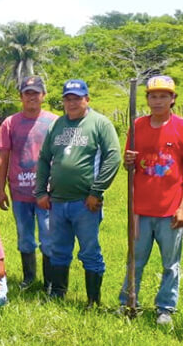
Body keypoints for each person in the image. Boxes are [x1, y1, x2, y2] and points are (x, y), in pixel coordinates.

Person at [118, 76, 183, 324]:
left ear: (173, 99)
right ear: (147, 99)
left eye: (164, 96)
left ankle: (165, 307)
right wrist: (129, 161)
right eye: (153, 96)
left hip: (170, 210)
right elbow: (127, 165)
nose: (158, 100)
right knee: (135, 259)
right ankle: (128, 301)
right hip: (140, 209)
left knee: (170, 263)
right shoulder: (137, 126)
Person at [34, 79, 121, 308]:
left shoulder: (100, 124)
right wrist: (41, 191)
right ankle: (58, 294)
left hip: (85, 202)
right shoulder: (57, 125)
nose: (72, 103)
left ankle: (93, 300)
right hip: (57, 201)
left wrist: (97, 191)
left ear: (87, 99)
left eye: (77, 98)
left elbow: (113, 158)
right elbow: (44, 159)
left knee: (90, 250)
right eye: (68, 98)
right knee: (58, 249)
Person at [0, 75, 58, 289]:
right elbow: (3, 158)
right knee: (25, 237)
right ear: (21, 97)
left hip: (46, 192)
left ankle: (50, 281)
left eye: (36, 93)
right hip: (19, 191)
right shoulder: (11, 123)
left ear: (43, 96)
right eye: (27, 94)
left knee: (48, 237)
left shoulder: (54, 122)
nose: (32, 97)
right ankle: (29, 278)